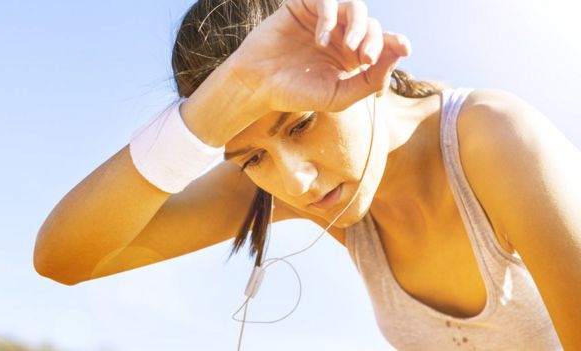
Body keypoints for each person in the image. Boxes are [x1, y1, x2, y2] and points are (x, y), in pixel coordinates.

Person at [33, 0, 581, 349]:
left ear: (354, 63)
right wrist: (202, 119)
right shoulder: (290, 185)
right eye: (250, 158)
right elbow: (65, 260)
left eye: (300, 125)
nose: (294, 182)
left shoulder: (496, 141)